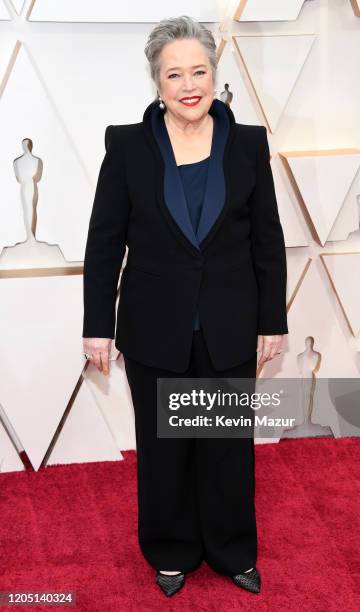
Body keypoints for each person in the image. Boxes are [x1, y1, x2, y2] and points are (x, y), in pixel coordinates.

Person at [82, 15, 288, 597]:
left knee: (226, 448)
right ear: (157, 81)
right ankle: (170, 549)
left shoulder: (247, 143)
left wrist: (272, 318)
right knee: (164, 447)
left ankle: (231, 550)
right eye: (175, 74)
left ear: (214, 73)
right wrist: (97, 325)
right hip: (153, 324)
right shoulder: (126, 145)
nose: (189, 84)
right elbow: (105, 241)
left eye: (199, 70)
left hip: (229, 321)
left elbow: (266, 238)